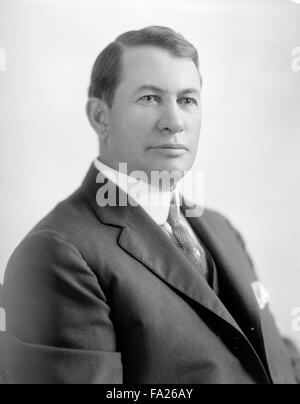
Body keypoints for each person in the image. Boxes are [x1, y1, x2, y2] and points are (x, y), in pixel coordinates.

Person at [2, 26, 299, 384]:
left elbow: (272, 360)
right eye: (149, 98)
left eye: (187, 100)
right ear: (100, 117)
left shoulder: (221, 229)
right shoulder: (57, 254)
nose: (174, 123)